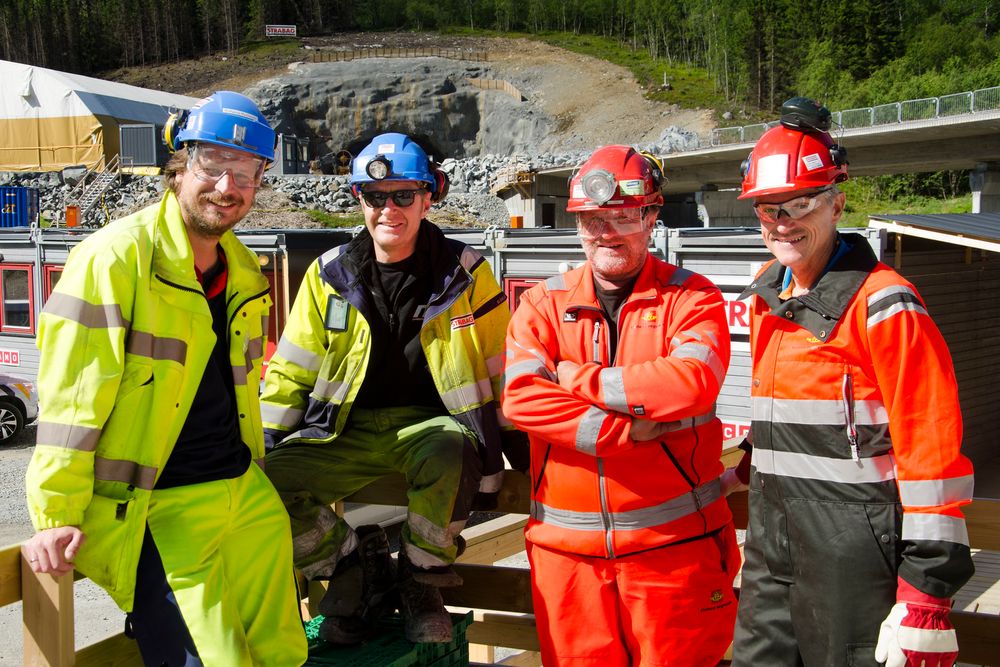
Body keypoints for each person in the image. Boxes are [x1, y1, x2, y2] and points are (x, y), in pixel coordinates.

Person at [21, 91, 308, 665]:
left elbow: (242, 387)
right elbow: (71, 401)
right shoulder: (115, 260)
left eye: (246, 173)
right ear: (178, 165)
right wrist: (56, 516)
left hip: (244, 495)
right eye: (213, 165)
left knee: (283, 654)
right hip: (163, 505)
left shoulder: (244, 267)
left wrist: (256, 475)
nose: (228, 187)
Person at [730, 97, 975, 667]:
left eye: (799, 203)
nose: (783, 222)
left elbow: (931, 450)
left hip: (856, 550)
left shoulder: (886, 305)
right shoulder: (771, 296)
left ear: (836, 203)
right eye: (769, 209)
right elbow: (788, 413)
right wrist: (744, 461)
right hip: (771, 541)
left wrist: (926, 594)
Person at [259, 132, 526, 645]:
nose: (389, 210)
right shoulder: (328, 275)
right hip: (344, 432)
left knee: (449, 450)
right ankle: (355, 565)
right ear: (358, 199)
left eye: (404, 195)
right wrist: (264, 448)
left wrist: (524, 455)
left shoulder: (467, 275)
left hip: (431, 429)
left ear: (430, 197)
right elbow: (292, 371)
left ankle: (419, 579)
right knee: (262, 485)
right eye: (375, 197)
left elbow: (503, 369)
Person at [502, 145, 739, 666]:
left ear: (651, 217)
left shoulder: (692, 298)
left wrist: (576, 377)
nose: (606, 232)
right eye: (591, 220)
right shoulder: (542, 304)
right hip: (568, 562)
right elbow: (521, 399)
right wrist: (626, 431)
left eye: (623, 216)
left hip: (674, 553)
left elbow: (691, 384)